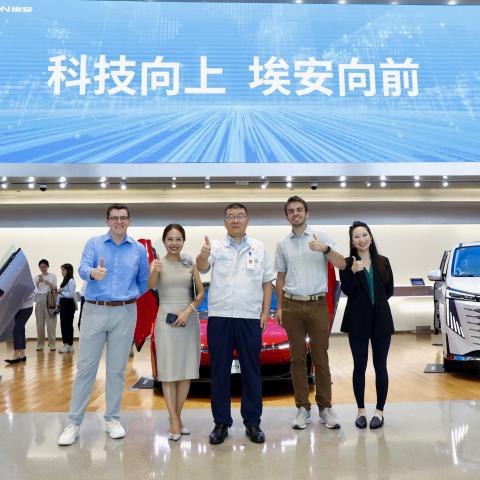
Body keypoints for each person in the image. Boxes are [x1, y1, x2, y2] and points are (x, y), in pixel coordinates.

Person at [58, 203, 149, 446]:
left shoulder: (139, 250)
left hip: (125, 312)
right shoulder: (94, 243)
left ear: (130, 220)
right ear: (107, 221)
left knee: (117, 369)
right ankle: (74, 423)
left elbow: (144, 282)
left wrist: (127, 298)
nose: (119, 221)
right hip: (96, 310)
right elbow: (82, 268)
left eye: (123, 218)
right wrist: (92, 274)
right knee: (86, 368)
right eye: (114, 218)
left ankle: (112, 418)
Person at [196, 203, 275, 445]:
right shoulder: (216, 247)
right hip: (219, 317)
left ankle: (253, 423)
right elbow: (201, 267)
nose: (235, 220)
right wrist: (203, 253)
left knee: (252, 371)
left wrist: (265, 312)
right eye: (230, 217)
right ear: (224, 222)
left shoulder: (258, 248)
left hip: (250, 317)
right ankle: (221, 423)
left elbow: (267, 282)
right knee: (219, 372)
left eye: (239, 216)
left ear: (247, 220)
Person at [274, 196, 346, 430]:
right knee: (296, 359)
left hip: (317, 305)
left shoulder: (321, 236)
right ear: (287, 216)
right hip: (292, 306)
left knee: (320, 357)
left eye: (299, 210)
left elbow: (342, 264)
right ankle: (302, 408)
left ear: (307, 213)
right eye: (291, 211)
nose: (295, 214)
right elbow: (281, 277)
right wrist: (280, 307)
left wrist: (324, 249)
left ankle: (325, 407)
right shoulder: (283, 244)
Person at [148, 224, 205, 441]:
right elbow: (150, 286)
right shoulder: (157, 263)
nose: (174, 243)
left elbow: (200, 294)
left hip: (188, 321)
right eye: (170, 239)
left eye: (178, 239)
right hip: (165, 321)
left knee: (186, 371)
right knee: (169, 372)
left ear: (183, 241)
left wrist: (187, 311)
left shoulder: (190, 263)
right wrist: (155, 270)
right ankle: (173, 420)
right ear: (164, 241)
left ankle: (177, 418)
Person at [339, 221, 394, 430]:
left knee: (381, 367)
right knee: (359, 367)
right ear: (352, 242)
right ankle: (361, 411)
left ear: (370, 236)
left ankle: (379, 412)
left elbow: (389, 291)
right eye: (356, 236)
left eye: (364, 234)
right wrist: (352, 271)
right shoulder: (347, 263)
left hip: (381, 321)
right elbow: (348, 290)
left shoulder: (383, 261)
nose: (361, 239)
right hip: (357, 322)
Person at [4, 288, 35, 364]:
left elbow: (34, 292)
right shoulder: (17, 281)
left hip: (27, 308)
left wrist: (22, 298)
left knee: (16, 330)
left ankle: (16, 355)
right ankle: (22, 354)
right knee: (21, 329)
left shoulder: (29, 281)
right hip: (17, 308)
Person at [33, 259, 57, 351]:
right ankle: (40, 344)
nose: (43, 269)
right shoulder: (37, 277)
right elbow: (33, 289)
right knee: (39, 323)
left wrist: (46, 281)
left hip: (49, 298)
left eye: (44, 267)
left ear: (47, 266)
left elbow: (55, 288)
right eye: (41, 267)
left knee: (51, 323)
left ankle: (52, 344)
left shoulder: (52, 276)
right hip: (39, 299)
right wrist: (38, 281)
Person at [55, 263, 77, 354]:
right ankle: (67, 345)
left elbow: (71, 294)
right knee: (65, 324)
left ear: (69, 271)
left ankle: (68, 345)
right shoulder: (65, 280)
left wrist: (61, 293)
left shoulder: (71, 281)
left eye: (63, 270)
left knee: (67, 325)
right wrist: (58, 303)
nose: (62, 272)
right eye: (61, 270)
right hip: (65, 304)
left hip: (68, 304)